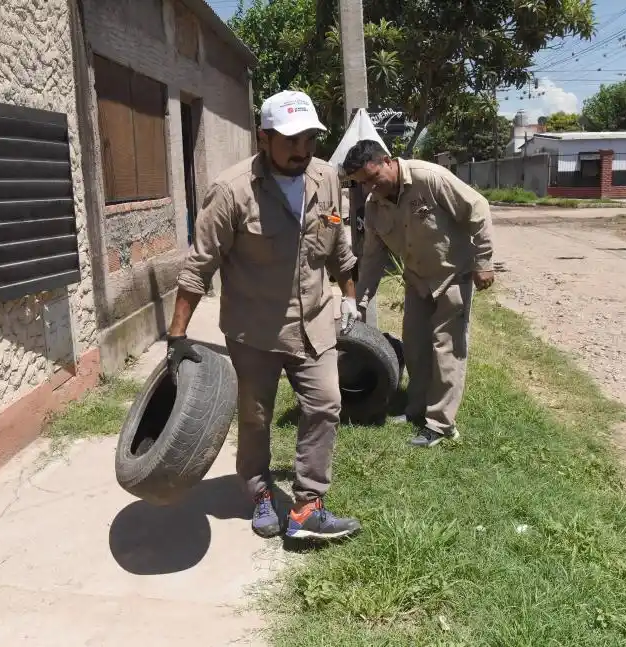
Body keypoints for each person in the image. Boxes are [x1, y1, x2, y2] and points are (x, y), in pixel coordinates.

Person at [167, 90, 362, 541]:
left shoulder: (326, 178)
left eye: (310, 139)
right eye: (291, 140)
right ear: (264, 137)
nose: (302, 150)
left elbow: (338, 244)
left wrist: (350, 298)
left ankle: (308, 505)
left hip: (314, 322)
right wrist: (177, 335)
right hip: (254, 330)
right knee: (256, 417)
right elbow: (200, 265)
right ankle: (258, 492)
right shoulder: (232, 190)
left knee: (325, 404)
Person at [341, 139, 495, 448]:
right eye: (362, 183)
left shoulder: (429, 178)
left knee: (446, 347)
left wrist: (484, 261)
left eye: (373, 178)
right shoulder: (374, 206)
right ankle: (417, 410)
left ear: (387, 161)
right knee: (415, 347)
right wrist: (359, 301)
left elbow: (478, 208)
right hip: (417, 280)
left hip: (453, 275)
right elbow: (372, 258)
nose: (371, 187)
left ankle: (441, 424)